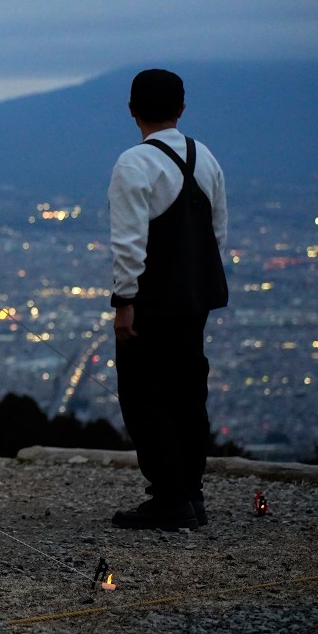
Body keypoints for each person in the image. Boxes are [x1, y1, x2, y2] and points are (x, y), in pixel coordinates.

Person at [107, 69, 229, 530]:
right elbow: (217, 233)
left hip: (151, 300)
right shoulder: (206, 158)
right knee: (188, 394)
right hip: (195, 298)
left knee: (144, 397)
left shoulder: (134, 164)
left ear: (132, 109)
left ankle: (168, 496)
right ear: (181, 109)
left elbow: (128, 242)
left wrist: (124, 301)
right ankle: (191, 494)